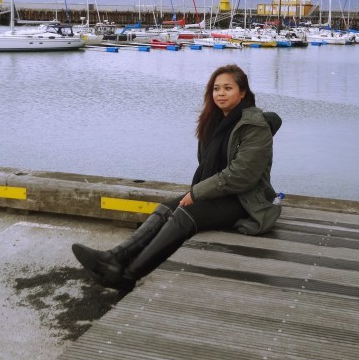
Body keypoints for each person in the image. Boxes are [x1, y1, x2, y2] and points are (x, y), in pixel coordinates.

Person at [72, 64, 282, 291]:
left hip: (246, 200)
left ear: (242, 93)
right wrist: (197, 192)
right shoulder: (214, 123)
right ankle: (114, 259)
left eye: (227, 88)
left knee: (185, 212)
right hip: (220, 192)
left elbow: (243, 176)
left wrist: (197, 193)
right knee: (166, 209)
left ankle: (129, 275)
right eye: (216, 88)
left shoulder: (254, 126)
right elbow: (207, 165)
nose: (220, 93)